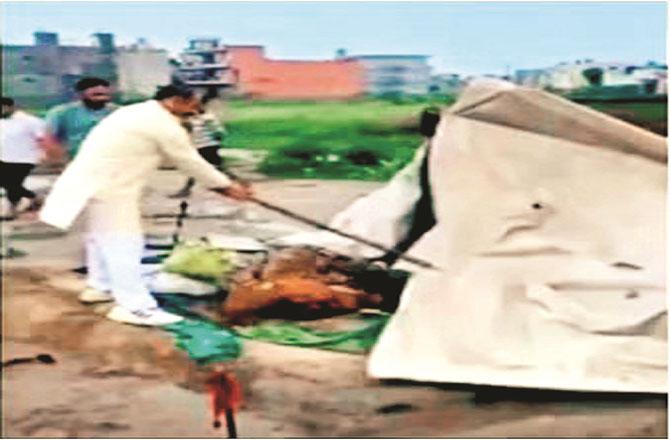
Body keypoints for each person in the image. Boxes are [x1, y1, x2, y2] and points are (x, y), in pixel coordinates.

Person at [39, 84, 253, 326]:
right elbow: (188, 160)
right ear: (175, 101)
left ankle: (100, 287)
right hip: (110, 186)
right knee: (124, 243)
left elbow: (180, 156)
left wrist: (224, 183)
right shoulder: (160, 124)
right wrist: (227, 187)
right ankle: (135, 306)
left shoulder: (136, 112)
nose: (195, 111)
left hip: (95, 182)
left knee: (100, 238)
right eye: (192, 105)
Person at [42, 77, 117, 161]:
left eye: (104, 95)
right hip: (74, 161)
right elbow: (49, 139)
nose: (100, 98)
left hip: (111, 159)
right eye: (96, 94)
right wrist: (59, 160)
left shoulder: (119, 112)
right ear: (80, 94)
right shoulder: (61, 113)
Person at [170, 100, 227, 198]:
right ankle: (234, 185)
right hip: (201, 146)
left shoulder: (207, 118)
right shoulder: (194, 119)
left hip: (208, 146)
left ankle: (186, 189)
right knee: (217, 168)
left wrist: (216, 139)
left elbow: (219, 131)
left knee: (197, 167)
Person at [0, 97, 46, 219]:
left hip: (25, 158)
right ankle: (34, 198)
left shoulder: (30, 121)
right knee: (9, 183)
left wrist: (45, 154)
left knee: (13, 183)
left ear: (10, 107)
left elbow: (43, 138)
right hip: (4, 157)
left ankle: (10, 211)